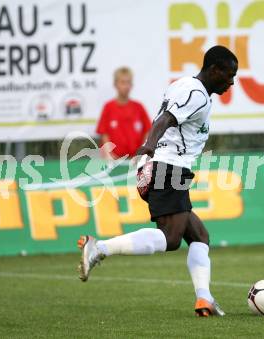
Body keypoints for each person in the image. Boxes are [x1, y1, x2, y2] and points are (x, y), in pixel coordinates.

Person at [78, 46, 238, 317]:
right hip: (167, 165)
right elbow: (166, 119)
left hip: (161, 165)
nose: (231, 82)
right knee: (171, 238)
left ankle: (204, 299)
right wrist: (149, 146)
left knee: (199, 236)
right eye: (229, 75)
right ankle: (99, 248)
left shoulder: (184, 85)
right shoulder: (198, 95)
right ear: (215, 70)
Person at [96, 67, 151, 159]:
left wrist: (142, 153)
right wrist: (109, 154)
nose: (126, 86)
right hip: (114, 161)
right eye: (123, 82)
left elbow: (147, 132)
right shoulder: (108, 107)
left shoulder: (139, 107)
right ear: (115, 84)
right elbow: (104, 133)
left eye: (128, 82)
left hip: (135, 161)